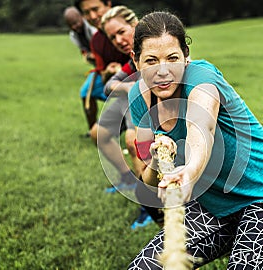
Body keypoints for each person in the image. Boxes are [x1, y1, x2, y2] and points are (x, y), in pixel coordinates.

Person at [128, 11, 263, 269]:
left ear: (186, 57)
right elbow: (147, 178)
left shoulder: (202, 78)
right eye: (151, 61)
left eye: (172, 58)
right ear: (136, 60)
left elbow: (202, 128)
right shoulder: (138, 100)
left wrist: (190, 172)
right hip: (213, 205)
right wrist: (155, 161)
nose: (163, 71)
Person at [98, 6, 157, 229]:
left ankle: (150, 205)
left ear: (135, 24)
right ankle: (128, 179)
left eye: (122, 32)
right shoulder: (132, 59)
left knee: (134, 143)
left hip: (158, 105)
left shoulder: (154, 47)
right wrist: (128, 87)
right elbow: (108, 86)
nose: (118, 40)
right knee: (99, 133)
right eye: (112, 37)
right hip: (132, 100)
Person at [74, 0, 129, 138]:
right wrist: (109, 72)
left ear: (108, 4)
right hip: (118, 82)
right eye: (86, 13)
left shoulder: (131, 27)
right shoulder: (96, 41)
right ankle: (93, 128)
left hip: (144, 84)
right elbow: (103, 74)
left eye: (96, 9)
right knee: (86, 91)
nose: (92, 16)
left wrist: (125, 70)